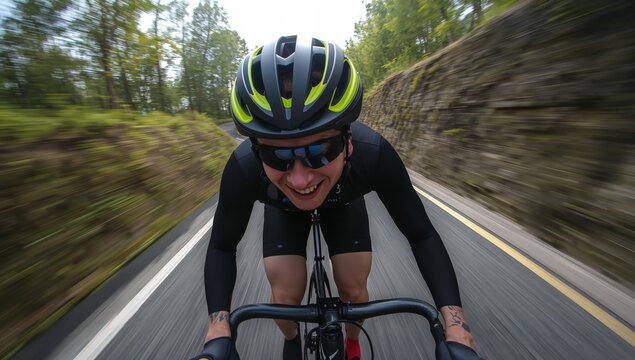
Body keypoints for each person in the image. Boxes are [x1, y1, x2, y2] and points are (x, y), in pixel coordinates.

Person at [192, 35, 479, 360]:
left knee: (354, 290)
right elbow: (221, 245)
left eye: (319, 150)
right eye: (276, 157)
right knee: (284, 298)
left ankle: (352, 342)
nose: (300, 178)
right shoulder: (243, 169)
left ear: (349, 142)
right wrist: (218, 327)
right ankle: (291, 342)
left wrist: (456, 326)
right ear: (256, 152)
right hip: (282, 207)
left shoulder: (375, 155)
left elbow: (421, 234)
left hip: (344, 198)